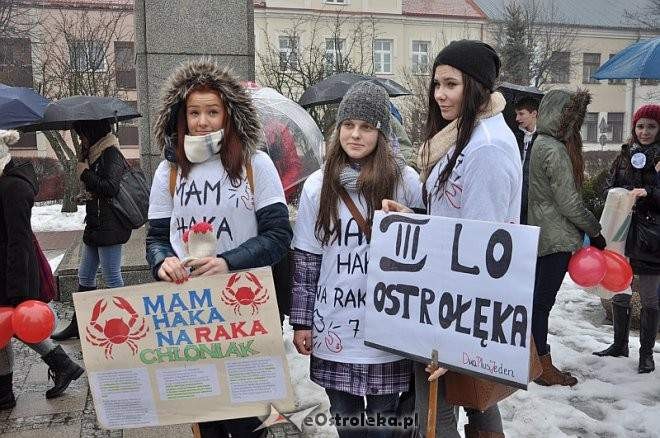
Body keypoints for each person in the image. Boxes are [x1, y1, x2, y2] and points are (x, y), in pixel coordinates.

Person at [145, 59, 292, 437]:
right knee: (206, 414)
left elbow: (278, 237)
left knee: (248, 418)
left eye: (212, 111)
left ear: (229, 115)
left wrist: (227, 262)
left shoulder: (255, 164)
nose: (203, 122)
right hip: (192, 311)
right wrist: (163, 263)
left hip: (245, 307)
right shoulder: (170, 170)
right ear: (182, 117)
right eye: (194, 113)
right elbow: (158, 239)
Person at [383, 39, 516, 438]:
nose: (440, 94)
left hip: (459, 306)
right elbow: (455, 221)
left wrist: (455, 338)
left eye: (451, 84)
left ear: (475, 86)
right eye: (437, 84)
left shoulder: (486, 148)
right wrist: (416, 218)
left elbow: (484, 249)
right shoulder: (462, 136)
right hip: (448, 297)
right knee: (476, 400)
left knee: (443, 415)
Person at [290, 81, 422, 438]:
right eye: (348, 125)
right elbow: (306, 261)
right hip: (335, 324)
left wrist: (412, 215)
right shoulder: (318, 186)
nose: (356, 134)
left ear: (381, 131)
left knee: (382, 424)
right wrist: (302, 323)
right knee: (346, 420)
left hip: (387, 326)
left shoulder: (404, 181)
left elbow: (425, 253)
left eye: (366, 126)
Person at [527, 89, 607, 386]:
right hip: (556, 238)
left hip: (541, 234)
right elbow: (569, 202)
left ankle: (533, 361)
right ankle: (543, 368)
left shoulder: (540, 143)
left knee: (536, 302)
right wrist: (594, 230)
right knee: (542, 304)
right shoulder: (555, 150)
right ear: (564, 118)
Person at [0, 130, 84, 410]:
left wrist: (17, 290)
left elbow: (18, 241)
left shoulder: (12, 187)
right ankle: (61, 365)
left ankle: (5, 391)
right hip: (7, 268)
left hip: (14, 271)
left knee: (10, 322)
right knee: (7, 325)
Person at [593, 104, 660, 374]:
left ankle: (646, 355)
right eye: (640, 126)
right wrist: (621, 192)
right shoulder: (624, 155)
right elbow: (608, 187)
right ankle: (619, 344)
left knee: (650, 298)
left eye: (651, 126)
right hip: (621, 232)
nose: (644, 131)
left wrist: (650, 193)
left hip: (652, 238)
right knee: (619, 287)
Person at [51, 119, 132, 340]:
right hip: (96, 223)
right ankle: (79, 325)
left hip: (111, 226)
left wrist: (85, 173)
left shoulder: (110, 153)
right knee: (85, 276)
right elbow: (98, 189)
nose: (81, 139)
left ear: (93, 132)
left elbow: (110, 188)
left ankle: (125, 327)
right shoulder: (95, 154)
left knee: (112, 276)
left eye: (82, 134)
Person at [514, 96, 539, 224]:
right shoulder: (517, 136)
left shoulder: (543, 138)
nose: (517, 118)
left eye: (521, 114)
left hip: (534, 198)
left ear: (534, 113)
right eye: (516, 114)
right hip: (518, 193)